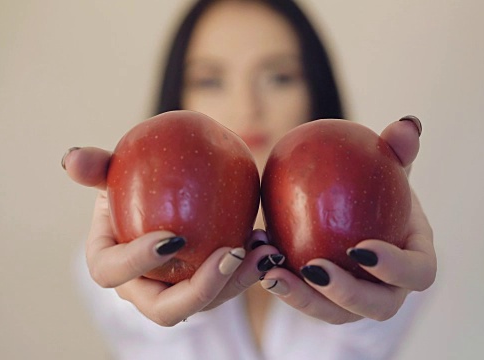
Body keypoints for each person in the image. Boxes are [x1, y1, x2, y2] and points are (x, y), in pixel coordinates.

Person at [61, 0, 436, 359]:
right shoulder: (113, 252)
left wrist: (386, 208)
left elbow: (368, 338)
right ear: (177, 95)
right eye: (210, 80)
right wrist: (148, 299)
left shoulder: (398, 252)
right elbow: (138, 336)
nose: (247, 105)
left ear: (315, 89)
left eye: (279, 77)